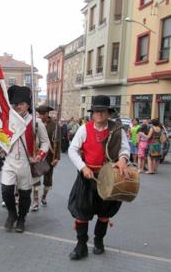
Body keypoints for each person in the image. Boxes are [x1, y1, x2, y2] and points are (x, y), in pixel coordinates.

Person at [68, 95, 130, 260]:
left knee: (105, 212)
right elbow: (72, 150)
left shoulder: (117, 130)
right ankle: (81, 246)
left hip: (109, 178)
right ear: (92, 113)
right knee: (82, 211)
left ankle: (99, 241)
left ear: (108, 113)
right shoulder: (84, 128)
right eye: (96, 111)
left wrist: (123, 159)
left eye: (102, 111)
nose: (99, 115)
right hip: (87, 177)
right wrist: (83, 167)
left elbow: (125, 149)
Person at [0, 86, 50, 233]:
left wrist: (40, 155)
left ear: (27, 105)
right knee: (6, 190)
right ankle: (11, 214)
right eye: (16, 104)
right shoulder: (8, 121)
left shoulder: (36, 122)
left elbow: (46, 142)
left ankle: (21, 218)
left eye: (21, 104)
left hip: (26, 162)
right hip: (9, 160)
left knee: (24, 194)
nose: (18, 107)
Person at [31, 105, 61, 211]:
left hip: (49, 156)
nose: (41, 116)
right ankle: (35, 200)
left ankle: (43, 196)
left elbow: (58, 142)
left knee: (47, 180)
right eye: (39, 113)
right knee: (36, 177)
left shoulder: (55, 126)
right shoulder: (35, 123)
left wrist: (57, 157)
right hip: (38, 155)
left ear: (47, 114)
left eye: (43, 114)